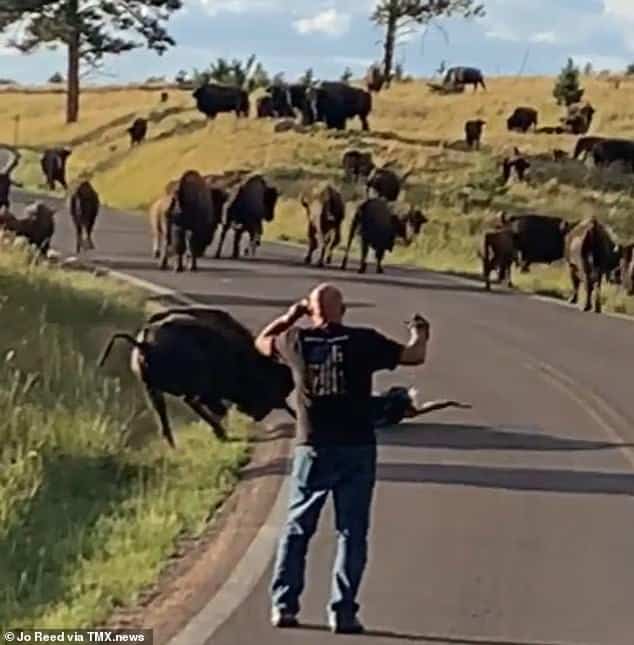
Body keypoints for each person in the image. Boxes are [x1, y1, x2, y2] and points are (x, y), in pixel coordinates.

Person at [255, 283, 430, 634]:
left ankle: (284, 605)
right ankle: (343, 612)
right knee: (352, 532)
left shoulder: (296, 341)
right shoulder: (363, 341)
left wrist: (291, 316)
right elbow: (414, 356)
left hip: (313, 446)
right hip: (356, 447)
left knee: (297, 528)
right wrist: (420, 333)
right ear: (343, 310)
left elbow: (261, 342)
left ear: (312, 311)